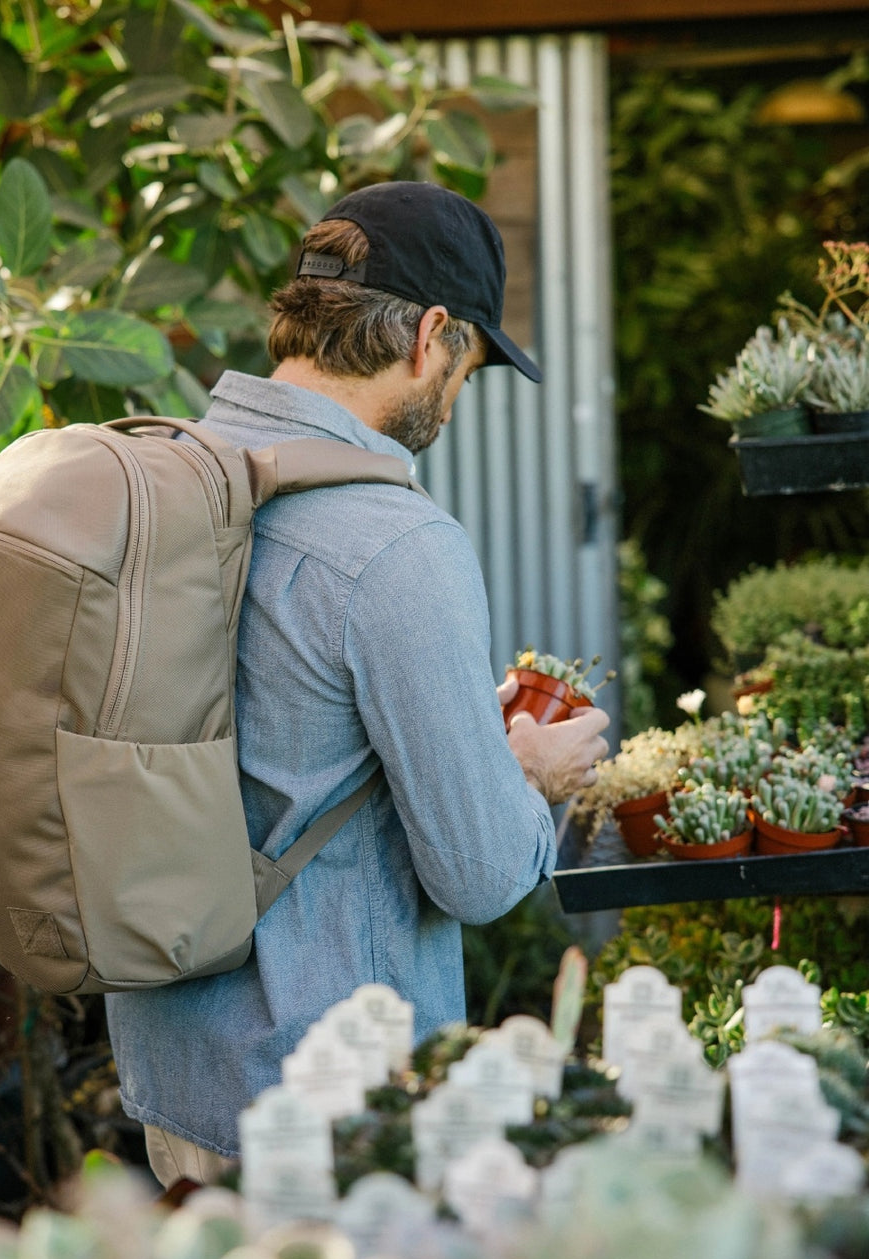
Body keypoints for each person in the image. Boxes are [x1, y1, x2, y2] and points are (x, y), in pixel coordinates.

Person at [106, 180, 610, 1187]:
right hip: (337, 1110)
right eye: (468, 366)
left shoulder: (167, 479)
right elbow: (474, 874)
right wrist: (529, 775)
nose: (458, 398)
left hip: (175, 1072)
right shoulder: (394, 544)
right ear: (430, 335)